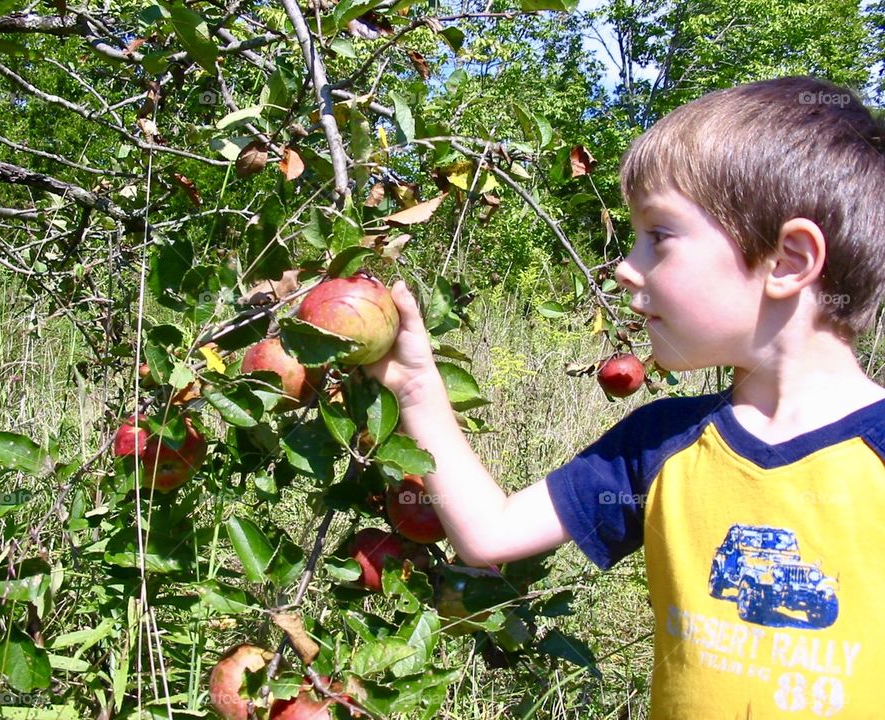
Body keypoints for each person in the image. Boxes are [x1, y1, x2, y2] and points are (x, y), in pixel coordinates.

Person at [366, 76, 885, 718]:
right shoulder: (662, 441)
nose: (623, 267)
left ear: (788, 260)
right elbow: (488, 534)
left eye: (660, 236)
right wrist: (416, 386)